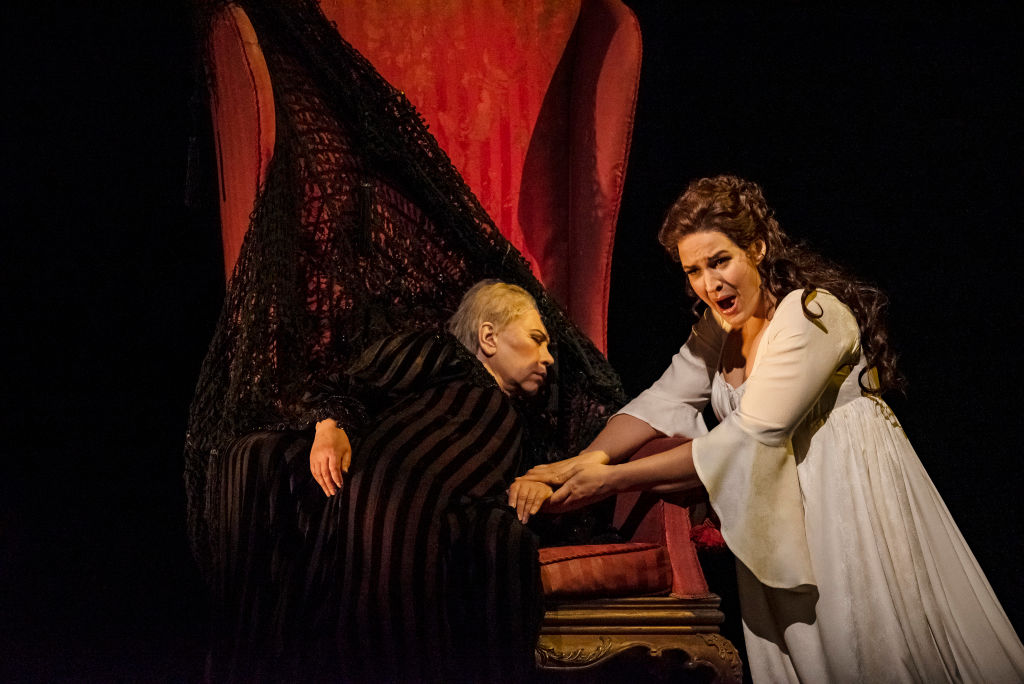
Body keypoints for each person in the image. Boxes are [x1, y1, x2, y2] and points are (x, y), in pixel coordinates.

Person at [517, 175, 1024, 682]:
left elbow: (752, 433)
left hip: (844, 500)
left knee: (864, 643)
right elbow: (661, 400)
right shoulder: (717, 330)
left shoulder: (811, 313)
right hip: (780, 506)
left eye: (719, 261)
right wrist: (581, 461)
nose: (709, 284)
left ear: (756, 247)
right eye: (693, 270)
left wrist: (610, 480)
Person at [207, 280, 557, 683]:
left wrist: (536, 484)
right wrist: (329, 424)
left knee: (497, 543)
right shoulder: (446, 357)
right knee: (392, 509)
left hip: (455, 512)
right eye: (536, 339)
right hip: (389, 497)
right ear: (489, 336)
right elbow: (355, 383)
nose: (547, 358)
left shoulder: (525, 425)